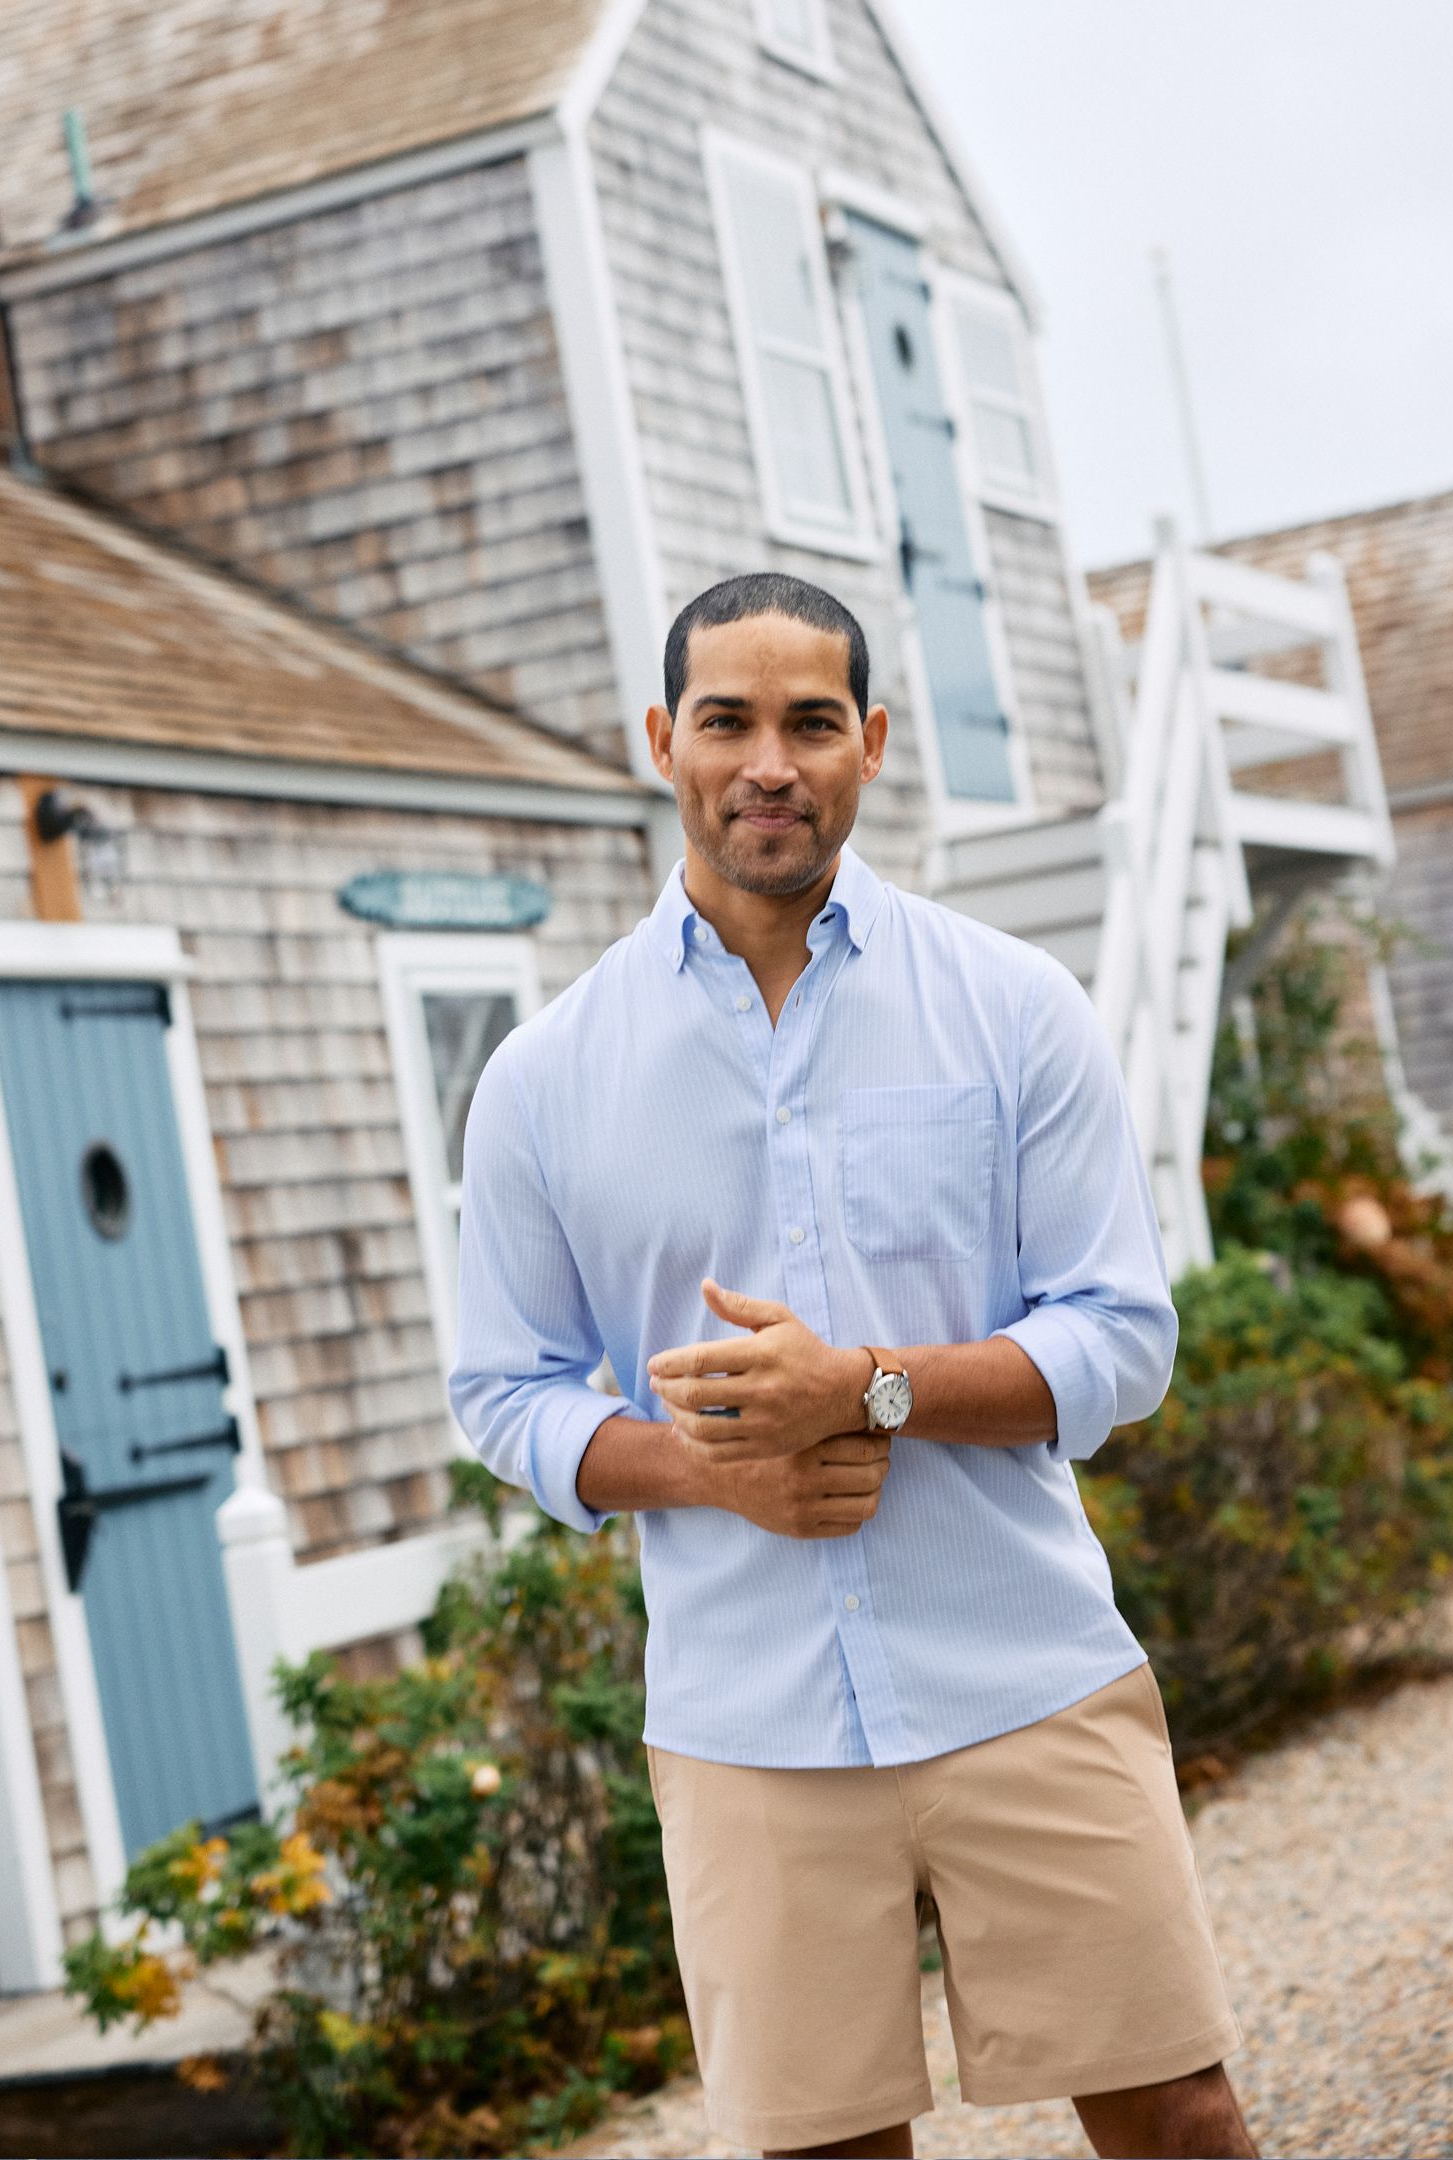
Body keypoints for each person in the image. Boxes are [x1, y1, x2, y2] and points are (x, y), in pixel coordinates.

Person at [447, 572, 1255, 2160]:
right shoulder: (545, 1079)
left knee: (1179, 2110)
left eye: (812, 723)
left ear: (871, 745)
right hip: (744, 1721)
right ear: (662, 741)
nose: (771, 761)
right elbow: (504, 1389)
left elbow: (1121, 1336)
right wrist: (707, 1472)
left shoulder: (1016, 1009)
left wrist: (872, 1387)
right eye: (729, 722)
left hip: (1025, 1671)